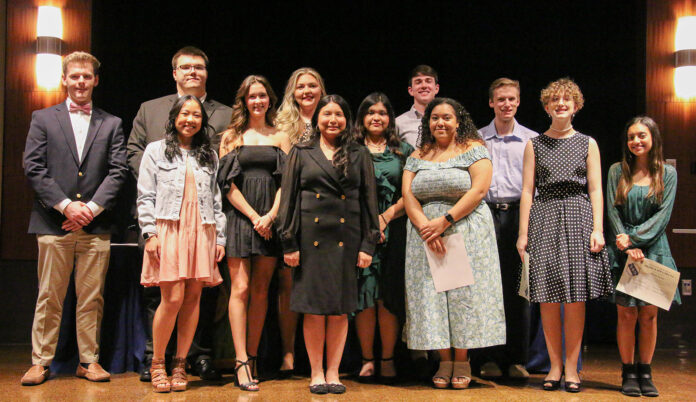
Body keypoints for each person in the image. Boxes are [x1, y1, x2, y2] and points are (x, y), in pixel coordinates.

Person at [22, 51, 128, 385]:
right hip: (53, 223)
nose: (80, 81)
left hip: (96, 225)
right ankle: (40, 362)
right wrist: (67, 206)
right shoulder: (42, 118)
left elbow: (118, 171)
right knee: (49, 296)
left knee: (91, 298)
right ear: (64, 80)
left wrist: (90, 209)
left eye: (86, 76)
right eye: (74, 76)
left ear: (96, 80)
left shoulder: (112, 123)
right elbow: (33, 167)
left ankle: (88, 361)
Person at [127, 46, 232, 381]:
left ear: (203, 121)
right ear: (174, 117)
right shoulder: (155, 150)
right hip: (168, 229)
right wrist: (150, 233)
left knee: (193, 300)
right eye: (184, 114)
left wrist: (220, 238)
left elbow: (215, 200)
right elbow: (145, 195)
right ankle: (157, 361)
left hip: (202, 231)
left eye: (196, 116)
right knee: (170, 298)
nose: (190, 119)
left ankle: (180, 365)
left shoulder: (208, 155)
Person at [277, 95, 380, 394]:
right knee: (313, 309)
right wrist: (288, 242)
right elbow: (288, 199)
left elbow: (369, 201)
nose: (332, 120)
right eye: (327, 114)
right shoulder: (301, 151)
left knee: (339, 309)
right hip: (310, 240)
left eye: (338, 114)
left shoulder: (359, 153)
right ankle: (316, 372)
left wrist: (368, 244)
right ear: (317, 119)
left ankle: (333, 372)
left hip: (347, 240)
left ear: (347, 120)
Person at [402, 97, 506, 390]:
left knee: (463, 297)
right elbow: (408, 195)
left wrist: (445, 221)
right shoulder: (418, 154)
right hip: (425, 234)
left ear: (458, 121)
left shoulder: (474, 149)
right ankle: (444, 360)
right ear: (428, 123)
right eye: (435, 118)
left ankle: (462, 360)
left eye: (447, 117)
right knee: (431, 297)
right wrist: (427, 227)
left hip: (464, 230)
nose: (441, 123)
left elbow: (479, 190)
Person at [517, 78, 612, 393]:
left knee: (575, 298)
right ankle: (554, 366)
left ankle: (572, 368)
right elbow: (527, 191)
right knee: (546, 298)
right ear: (546, 106)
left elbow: (595, 189)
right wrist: (523, 233)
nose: (560, 103)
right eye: (554, 100)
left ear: (575, 106)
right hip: (544, 217)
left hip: (578, 216)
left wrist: (598, 228)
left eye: (566, 99)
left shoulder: (588, 143)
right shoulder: (534, 144)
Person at [217, 75, 290, 391]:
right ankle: (240, 361)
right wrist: (253, 216)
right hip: (240, 217)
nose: (257, 101)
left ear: (269, 99)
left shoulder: (281, 136)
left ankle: (253, 355)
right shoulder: (231, 136)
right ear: (244, 101)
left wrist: (270, 216)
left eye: (262, 95)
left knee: (262, 290)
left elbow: (287, 183)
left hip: (270, 220)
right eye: (252, 96)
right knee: (241, 288)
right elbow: (226, 184)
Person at [606, 116, 678, 397]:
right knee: (626, 314)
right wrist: (625, 244)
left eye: (641, 135)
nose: (636, 141)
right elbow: (612, 211)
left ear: (653, 138)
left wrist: (635, 239)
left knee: (648, 315)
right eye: (631, 137)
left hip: (654, 249)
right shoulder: (617, 171)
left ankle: (645, 372)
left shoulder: (667, 173)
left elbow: (663, 216)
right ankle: (628, 372)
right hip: (623, 250)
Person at [471, 78, 538, 379]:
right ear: (491, 103)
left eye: (511, 99)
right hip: (485, 213)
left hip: (519, 216)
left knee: (518, 291)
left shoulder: (532, 140)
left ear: (519, 101)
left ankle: (516, 359)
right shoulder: (477, 138)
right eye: (500, 99)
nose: (506, 104)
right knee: (485, 288)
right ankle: (487, 358)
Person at [273, 67, 326, 376]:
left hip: (326, 211)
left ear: (321, 90)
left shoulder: (332, 118)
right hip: (291, 210)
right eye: (301, 86)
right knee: (288, 283)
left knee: (319, 283)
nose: (307, 91)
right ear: (292, 92)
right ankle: (288, 350)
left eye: (312, 85)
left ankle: (318, 355)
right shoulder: (280, 125)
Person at [395, 65, 440, 148]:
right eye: (418, 82)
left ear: (436, 88)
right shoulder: (398, 123)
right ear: (411, 90)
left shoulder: (449, 120)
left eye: (428, 81)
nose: (424, 86)